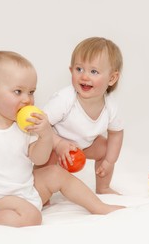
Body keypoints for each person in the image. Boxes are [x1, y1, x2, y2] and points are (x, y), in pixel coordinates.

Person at [0, 51, 124, 227]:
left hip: (28, 190)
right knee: (31, 217)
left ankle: (99, 207)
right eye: (18, 92)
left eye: (31, 92)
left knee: (56, 173)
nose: (27, 99)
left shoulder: (24, 126)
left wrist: (45, 135)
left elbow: (39, 159)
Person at [41, 37, 124, 195]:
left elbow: (116, 133)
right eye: (79, 69)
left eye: (93, 71)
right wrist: (58, 144)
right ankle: (43, 193)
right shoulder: (64, 99)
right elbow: (41, 127)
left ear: (112, 78)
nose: (84, 77)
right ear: (71, 70)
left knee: (106, 148)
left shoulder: (110, 105)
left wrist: (109, 161)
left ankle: (103, 187)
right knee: (45, 159)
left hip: (85, 145)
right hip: (55, 144)